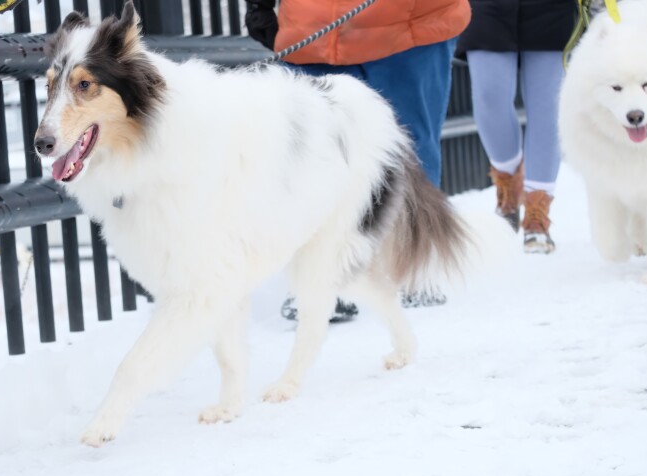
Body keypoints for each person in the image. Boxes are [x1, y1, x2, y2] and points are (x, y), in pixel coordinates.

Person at [245, 0, 471, 317]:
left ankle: (411, 263)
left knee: (406, 146)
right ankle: (319, 277)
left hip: (409, 24)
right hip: (312, 25)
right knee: (312, 153)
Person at [456, 0, 577, 253]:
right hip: (489, 6)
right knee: (490, 97)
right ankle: (508, 179)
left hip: (552, 9)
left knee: (548, 106)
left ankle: (537, 211)